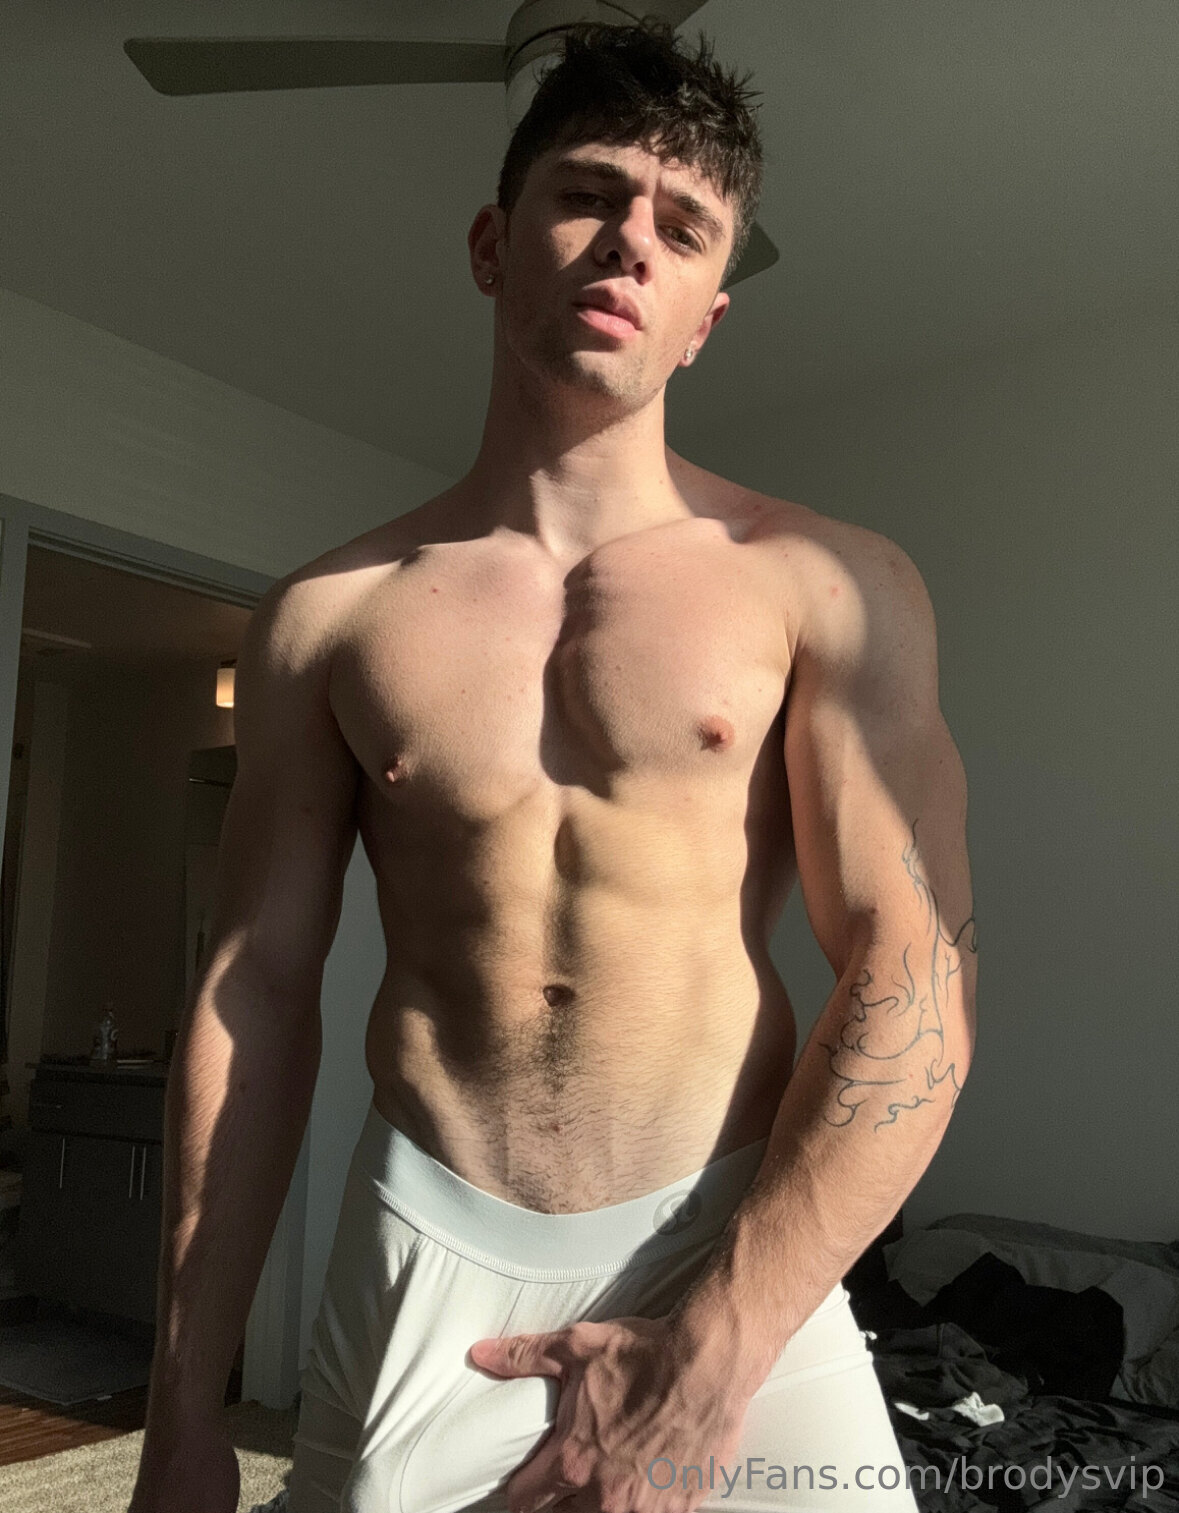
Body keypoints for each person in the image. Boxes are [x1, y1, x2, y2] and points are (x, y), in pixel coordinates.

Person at [128, 20, 977, 1513]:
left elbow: (914, 974)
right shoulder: (332, 616)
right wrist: (181, 1407)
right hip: (429, 1256)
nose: (630, 242)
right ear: (491, 243)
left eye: (684, 227)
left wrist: (713, 1354)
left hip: (738, 1249)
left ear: (708, 317)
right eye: (587, 194)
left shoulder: (826, 583)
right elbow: (252, 995)